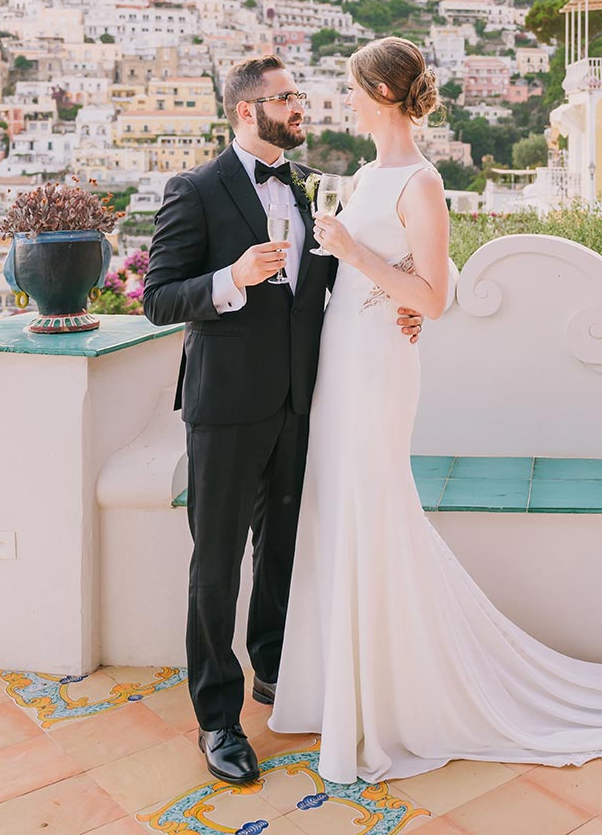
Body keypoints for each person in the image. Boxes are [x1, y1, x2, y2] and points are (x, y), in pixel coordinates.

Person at [269, 35, 602, 785]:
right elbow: (429, 277)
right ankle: (347, 690)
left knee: (374, 506)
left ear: (380, 95)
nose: (347, 101)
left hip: (377, 366)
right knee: (342, 508)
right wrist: (372, 267)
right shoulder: (369, 172)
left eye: (354, 89)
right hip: (346, 355)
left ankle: (396, 698)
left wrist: (353, 254)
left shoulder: (422, 181)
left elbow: (432, 294)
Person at [142, 55, 422, 786]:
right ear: (247, 111)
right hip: (227, 408)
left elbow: (342, 272)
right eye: (286, 97)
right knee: (215, 567)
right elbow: (160, 297)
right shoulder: (196, 190)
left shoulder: (304, 184)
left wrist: (402, 306)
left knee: (283, 553)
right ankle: (217, 720)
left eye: (299, 93)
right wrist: (232, 278)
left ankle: (275, 669)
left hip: (303, 401)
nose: (301, 105)